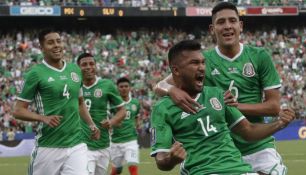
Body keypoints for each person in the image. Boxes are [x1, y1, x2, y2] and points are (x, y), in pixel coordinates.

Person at [154, 2, 288, 174]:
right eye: (221, 22)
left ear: (240, 26)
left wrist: (234, 106)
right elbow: (159, 86)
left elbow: (273, 107)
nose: (227, 26)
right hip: (218, 151)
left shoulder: (259, 56)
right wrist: (172, 90)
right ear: (212, 29)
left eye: (232, 21)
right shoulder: (203, 61)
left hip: (257, 146)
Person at [13, 29, 100, 175]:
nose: (56, 45)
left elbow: (80, 103)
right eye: (50, 42)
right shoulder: (36, 74)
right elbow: (18, 110)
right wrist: (43, 118)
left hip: (76, 144)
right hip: (48, 146)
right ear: (41, 48)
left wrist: (91, 124)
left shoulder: (75, 70)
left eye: (58, 41)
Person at [77, 53, 126, 175]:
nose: (88, 67)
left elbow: (122, 110)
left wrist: (112, 121)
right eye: (84, 64)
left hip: (103, 143)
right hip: (81, 143)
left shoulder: (107, 85)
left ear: (96, 66)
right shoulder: (74, 85)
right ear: (78, 67)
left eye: (91, 64)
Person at [110, 77, 141, 175]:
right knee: (117, 170)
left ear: (130, 88)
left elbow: (136, 117)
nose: (124, 88)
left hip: (130, 140)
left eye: (126, 86)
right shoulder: (112, 103)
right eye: (121, 86)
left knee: (133, 166)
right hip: (115, 141)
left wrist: (137, 125)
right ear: (117, 88)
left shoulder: (135, 102)